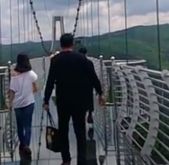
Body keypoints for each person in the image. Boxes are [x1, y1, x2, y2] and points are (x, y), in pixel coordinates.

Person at [43, 34, 105, 165]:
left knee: (63, 129)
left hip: (62, 101)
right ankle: (81, 160)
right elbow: (93, 78)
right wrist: (100, 93)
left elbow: (50, 81)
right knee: (80, 131)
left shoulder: (55, 60)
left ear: (61, 44)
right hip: (79, 101)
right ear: (72, 43)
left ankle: (66, 159)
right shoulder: (82, 59)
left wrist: (46, 100)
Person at [9, 53, 39, 157]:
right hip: (29, 103)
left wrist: (10, 103)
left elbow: (12, 91)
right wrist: (28, 91)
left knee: (20, 126)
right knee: (28, 125)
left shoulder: (14, 76)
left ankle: (22, 144)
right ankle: (26, 144)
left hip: (17, 104)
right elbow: (36, 88)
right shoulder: (31, 74)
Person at [77, 46, 95, 124]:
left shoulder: (75, 63)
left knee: (81, 102)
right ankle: (90, 114)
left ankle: (82, 116)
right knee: (90, 100)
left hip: (79, 86)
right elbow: (93, 76)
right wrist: (99, 90)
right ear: (86, 53)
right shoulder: (89, 63)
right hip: (88, 85)